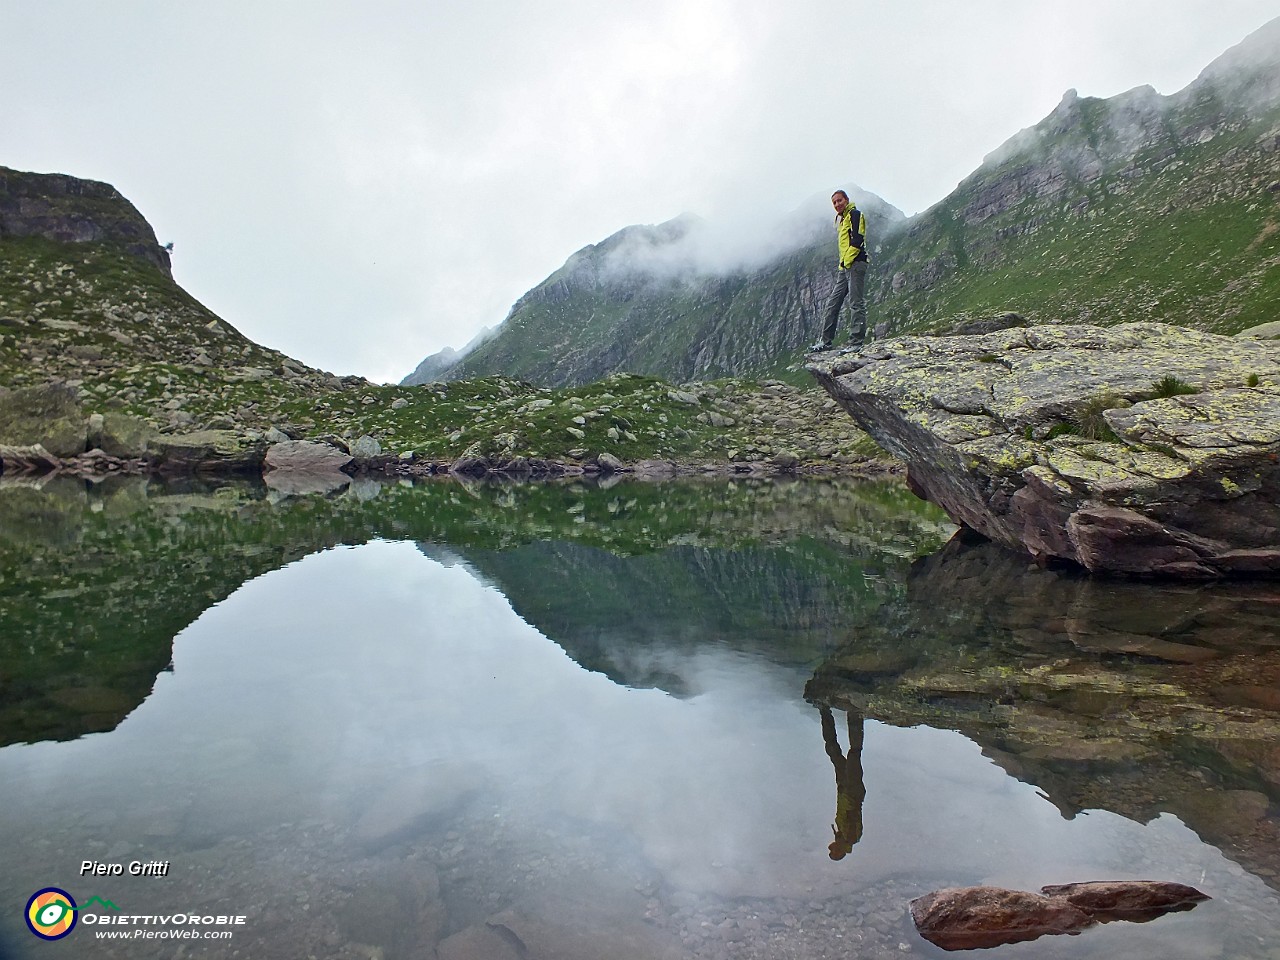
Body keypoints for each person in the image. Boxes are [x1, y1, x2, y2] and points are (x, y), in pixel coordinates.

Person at [816, 189, 868, 350]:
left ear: (846, 200)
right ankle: (825, 342)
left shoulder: (855, 214)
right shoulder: (842, 219)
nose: (837, 204)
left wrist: (847, 261)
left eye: (839, 200)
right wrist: (843, 264)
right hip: (845, 267)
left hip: (856, 263)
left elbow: (858, 239)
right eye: (834, 202)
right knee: (833, 303)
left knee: (855, 303)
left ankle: (856, 342)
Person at [819, 705, 866, 860]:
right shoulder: (851, 837)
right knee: (854, 754)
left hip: (844, 789)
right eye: (834, 851)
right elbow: (852, 812)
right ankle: (855, 714)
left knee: (833, 751)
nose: (832, 846)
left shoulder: (842, 835)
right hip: (853, 792)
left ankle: (825, 711)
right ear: (840, 851)